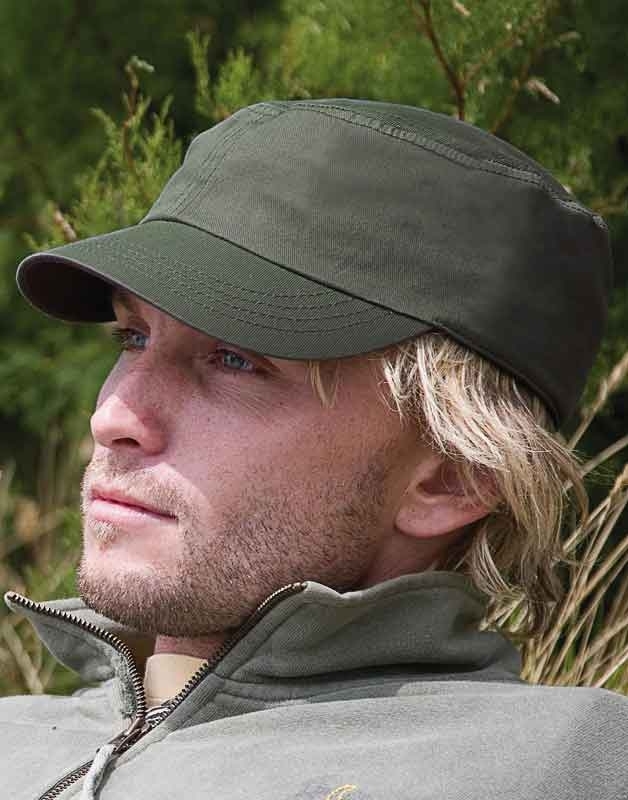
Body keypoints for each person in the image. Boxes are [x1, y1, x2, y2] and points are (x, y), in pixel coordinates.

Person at [2, 98, 626, 800]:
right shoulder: (13, 735)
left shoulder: (560, 766)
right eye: (133, 336)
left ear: (454, 477)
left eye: (235, 360)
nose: (113, 416)